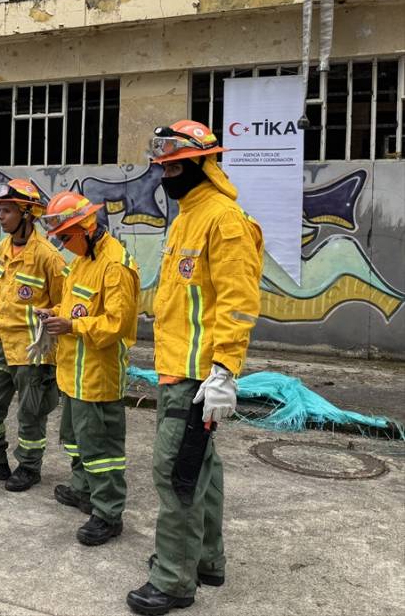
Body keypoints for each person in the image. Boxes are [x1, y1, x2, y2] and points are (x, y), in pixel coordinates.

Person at [126, 120, 263, 616]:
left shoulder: (223, 220)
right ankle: (206, 559)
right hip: (177, 372)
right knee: (204, 468)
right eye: (161, 167)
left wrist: (225, 369)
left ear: (203, 165)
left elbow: (238, 303)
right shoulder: (187, 216)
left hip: (199, 378)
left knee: (176, 473)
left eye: (174, 167)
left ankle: (174, 581)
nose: (165, 176)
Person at [38, 191, 139, 546]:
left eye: (66, 236)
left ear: (85, 227)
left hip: (98, 377)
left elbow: (116, 324)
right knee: (77, 441)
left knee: (102, 450)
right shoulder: (82, 260)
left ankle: (108, 513)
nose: (63, 245)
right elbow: (74, 306)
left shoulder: (115, 266)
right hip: (74, 374)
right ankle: (83, 490)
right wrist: (54, 314)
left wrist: (72, 327)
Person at [0, 179, 64, 492]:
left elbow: (66, 303)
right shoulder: (5, 246)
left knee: (31, 413)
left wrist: (53, 321)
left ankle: (29, 467)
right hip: (1, 344)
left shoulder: (48, 256)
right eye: (0, 210)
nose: (0, 216)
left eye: (7, 211)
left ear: (28, 214)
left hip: (32, 351)